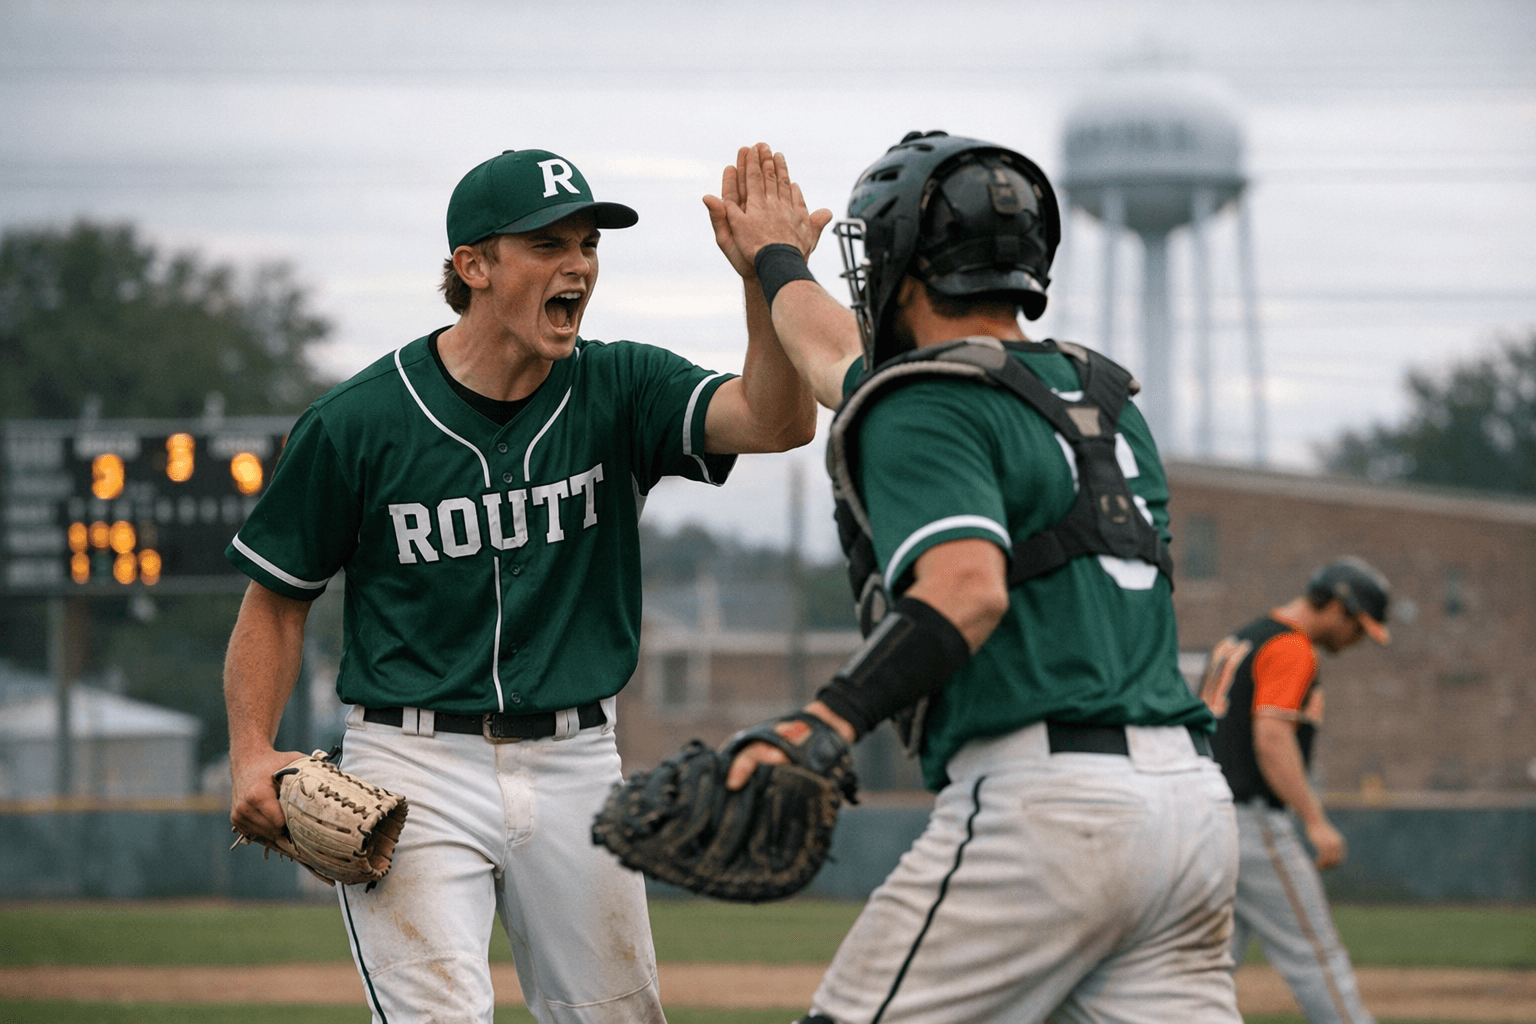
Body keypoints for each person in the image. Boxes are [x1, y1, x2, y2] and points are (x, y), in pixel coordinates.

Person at [223, 146, 823, 1023]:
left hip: (579, 758)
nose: (577, 263)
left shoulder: (621, 385)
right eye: (547, 245)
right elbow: (276, 600)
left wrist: (767, 281)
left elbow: (777, 420)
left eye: (587, 243)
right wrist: (250, 749)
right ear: (473, 266)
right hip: (413, 764)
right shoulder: (358, 423)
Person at [708, 137, 1242, 1022]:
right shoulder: (1100, 399)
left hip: (1050, 811)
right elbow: (836, 359)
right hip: (1191, 811)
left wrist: (826, 720)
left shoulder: (926, 404)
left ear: (904, 269)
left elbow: (968, 590)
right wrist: (773, 265)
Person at [1198, 558, 1391, 1024]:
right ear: (1338, 607)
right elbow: (1272, 737)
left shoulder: (1239, 638)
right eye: (1358, 625)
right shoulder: (1290, 646)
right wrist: (1315, 821)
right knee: (1315, 953)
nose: (1357, 638)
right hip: (1253, 819)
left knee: (1209, 967)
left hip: (1207, 818)